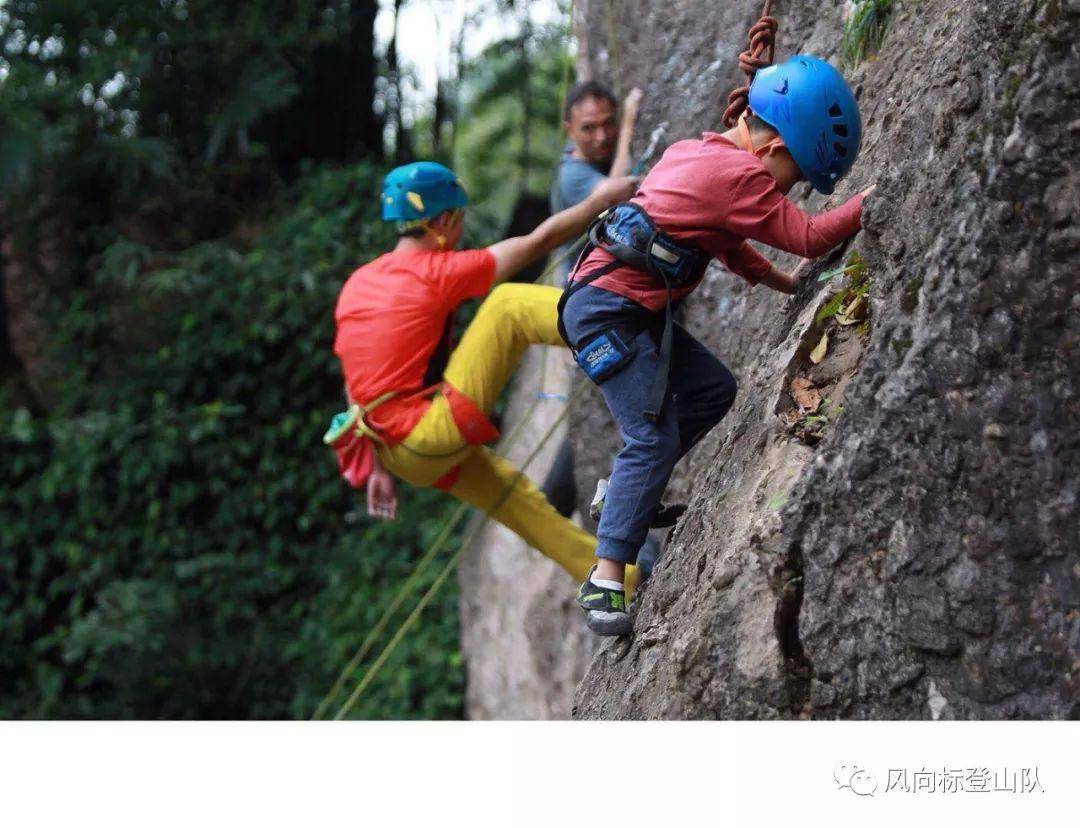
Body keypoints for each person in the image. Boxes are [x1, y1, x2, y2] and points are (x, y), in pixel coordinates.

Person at [560, 56, 875, 635]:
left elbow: (727, 244)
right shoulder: (740, 176)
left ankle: (626, 495)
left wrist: (787, 286)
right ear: (777, 145)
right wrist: (873, 200)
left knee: (712, 391)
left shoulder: (700, 152)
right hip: (608, 316)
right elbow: (806, 236)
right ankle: (605, 579)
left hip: (627, 311)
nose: (792, 190)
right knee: (650, 437)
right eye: (798, 176)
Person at [326, 160, 642, 595]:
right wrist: (601, 201)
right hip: (428, 432)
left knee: (510, 497)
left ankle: (621, 578)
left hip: (395, 452)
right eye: (459, 219)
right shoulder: (434, 272)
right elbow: (537, 242)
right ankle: (612, 318)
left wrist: (377, 467)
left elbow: (355, 381)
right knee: (507, 306)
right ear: (442, 221)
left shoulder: (359, 284)